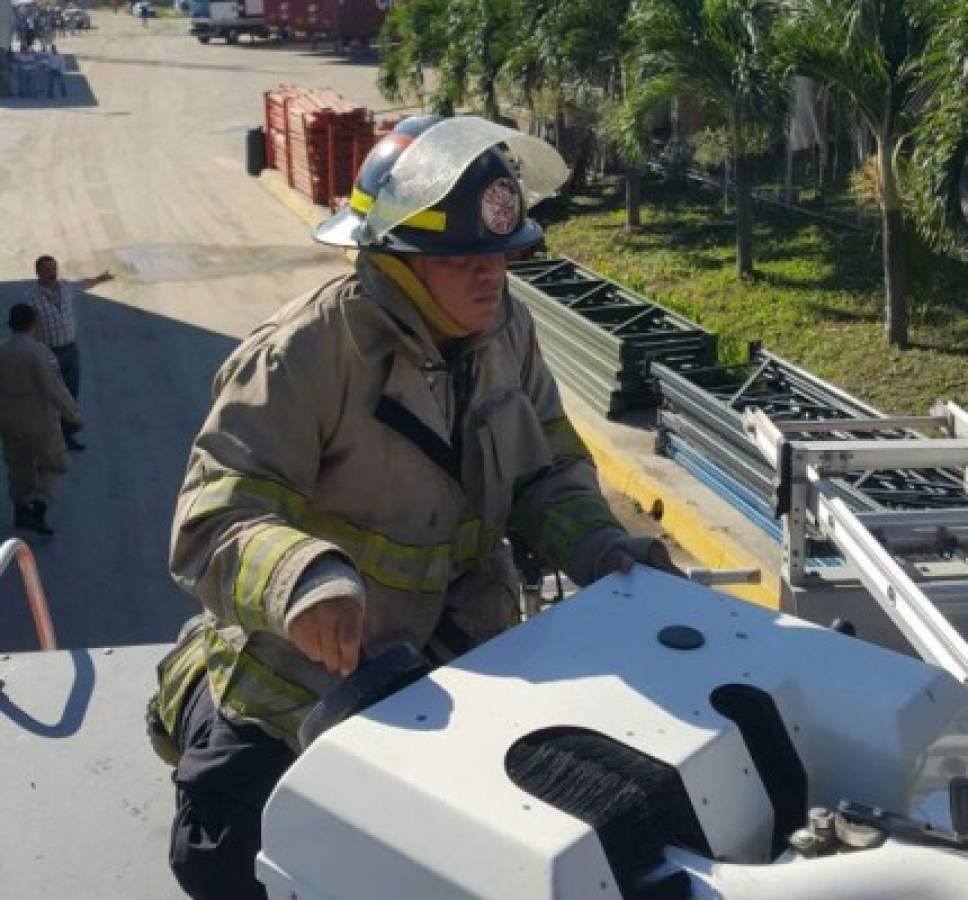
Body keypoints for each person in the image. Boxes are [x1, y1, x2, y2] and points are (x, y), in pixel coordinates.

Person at [159, 115, 681, 900]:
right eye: (464, 257)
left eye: (501, 255)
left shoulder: (509, 332)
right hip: (301, 695)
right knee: (226, 857)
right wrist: (301, 578)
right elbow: (213, 519)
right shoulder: (304, 354)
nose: (491, 274)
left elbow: (551, 471)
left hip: (459, 681)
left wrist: (603, 547)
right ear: (399, 261)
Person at [0, 304, 82, 535]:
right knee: (56, 464)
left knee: (19, 466)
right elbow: (54, 389)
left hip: (8, 422)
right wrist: (73, 416)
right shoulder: (41, 353)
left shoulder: (2, 350)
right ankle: (38, 509)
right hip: (39, 422)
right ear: (33, 324)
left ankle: (20, 510)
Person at [26, 255, 113, 451]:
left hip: (70, 351)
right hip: (49, 355)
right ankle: (49, 440)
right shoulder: (32, 299)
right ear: (38, 273)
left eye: (54, 268)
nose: (52, 273)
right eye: (47, 270)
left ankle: (66, 437)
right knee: (50, 398)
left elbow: (82, 285)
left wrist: (100, 279)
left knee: (70, 396)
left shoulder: (65, 287)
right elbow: (27, 329)